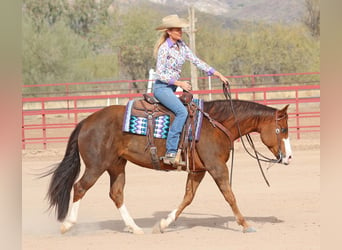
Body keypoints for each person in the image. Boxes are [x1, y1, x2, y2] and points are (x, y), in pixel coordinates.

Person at [153, 14, 229, 161]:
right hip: (162, 88)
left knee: (191, 110)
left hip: (171, 88)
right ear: (169, 31)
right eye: (177, 30)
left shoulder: (182, 46)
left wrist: (218, 74)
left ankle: (188, 146)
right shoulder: (164, 49)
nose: (180, 32)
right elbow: (160, 74)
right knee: (182, 112)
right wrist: (179, 83)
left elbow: (196, 61)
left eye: (181, 29)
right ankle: (171, 151)